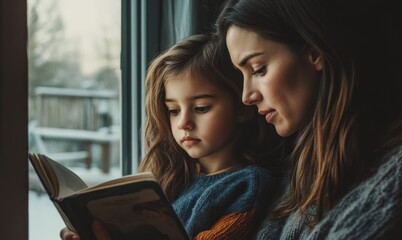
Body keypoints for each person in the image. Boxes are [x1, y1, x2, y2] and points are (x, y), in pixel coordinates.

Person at [216, 0, 402, 239]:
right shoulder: (302, 173)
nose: (246, 96)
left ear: (315, 51)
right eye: (241, 74)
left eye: (258, 69)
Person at [60, 34, 277, 240]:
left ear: (242, 108)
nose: (183, 123)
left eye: (201, 108)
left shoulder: (249, 184)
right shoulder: (172, 176)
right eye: (173, 111)